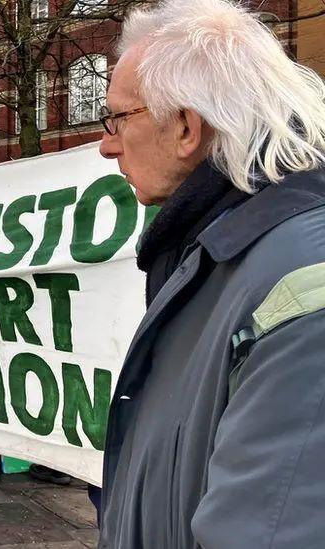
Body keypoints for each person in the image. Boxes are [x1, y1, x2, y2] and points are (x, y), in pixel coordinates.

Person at [98, 1, 325, 547]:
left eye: (117, 119)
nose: (106, 146)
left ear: (185, 129)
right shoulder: (214, 252)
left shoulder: (302, 292)